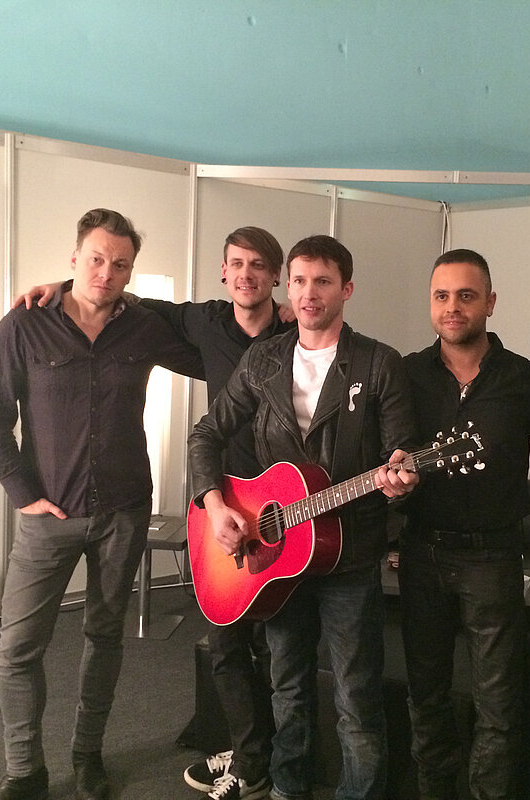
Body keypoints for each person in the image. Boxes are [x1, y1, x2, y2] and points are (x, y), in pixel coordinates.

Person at [17, 226, 293, 800]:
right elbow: (124, 297)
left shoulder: (298, 332)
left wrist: (300, 308)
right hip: (223, 500)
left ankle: (281, 764)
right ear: (223, 271)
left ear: (275, 276)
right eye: (237, 264)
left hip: (287, 500)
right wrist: (62, 287)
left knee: (284, 645)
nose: (246, 274)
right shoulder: (203, 321)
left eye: (259, 265)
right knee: (225, 644)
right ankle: (251, 756)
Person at [0, 208, 205, 800]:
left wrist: (274, 316)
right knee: (17, 649)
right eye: (97, 259)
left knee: (104, 637)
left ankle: (88, 756)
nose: (106, 272)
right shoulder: (24, 325)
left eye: (120, 264)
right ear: (74, 258)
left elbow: (216, 356)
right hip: (48, 517)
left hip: (123, 512)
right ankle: (25, 772)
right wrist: (24, 496)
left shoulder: (143, 327)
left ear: (131, 272)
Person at [187, 235, 419, 800]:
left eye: (323, 281)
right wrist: (214, 504)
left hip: (349, 557)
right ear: (286, 287)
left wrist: (400, 478)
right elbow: (207, 433)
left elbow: (402, 454)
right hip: (277, 560)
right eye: (299, 280)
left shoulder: (378, 363)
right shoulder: (263, 359)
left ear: (347, 289)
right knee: (286, 688)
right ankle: (287, 789)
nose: (309, 293)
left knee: (356, 699)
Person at [398, 249, 530, 800]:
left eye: (466, 296)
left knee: (498, 704)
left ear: (490, 303)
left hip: (494, 558)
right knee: (426, 694)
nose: (452, 307)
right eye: (441, 296)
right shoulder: (406, 374)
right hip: (420, 553)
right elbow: (383, 445)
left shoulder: (523, 378)